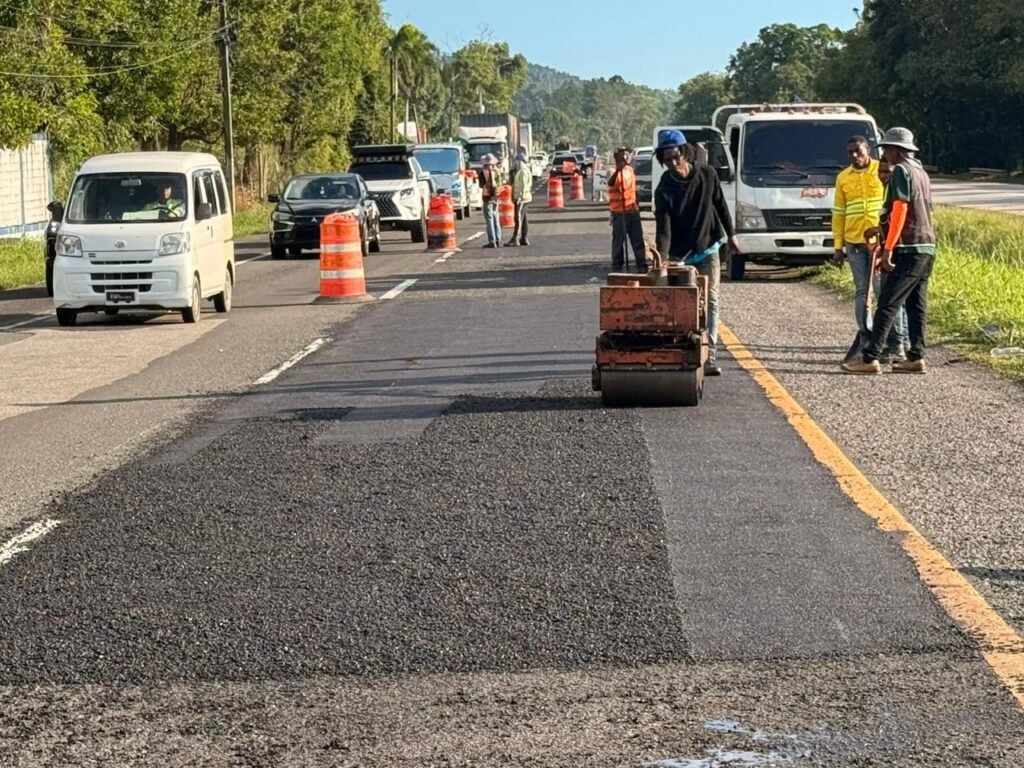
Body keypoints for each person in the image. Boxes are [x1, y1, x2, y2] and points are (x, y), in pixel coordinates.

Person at [842, 127, 936, 375]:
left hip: (907, 247)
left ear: (895, 149)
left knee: (887, 303)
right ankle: (915, 357)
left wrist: (888, 249)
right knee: (916, 304)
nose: (884, 153)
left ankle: (870, 357)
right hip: (927, 245)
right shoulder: (921, 172)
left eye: (886, 149)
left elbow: (900, 211)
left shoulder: (901, 171)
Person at [654, 129, 739, 377]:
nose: (672, 163)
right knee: (682, 303)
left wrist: (731, 235)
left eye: (676, 157)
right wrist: (662, 258)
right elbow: (663, 228)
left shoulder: (707, 174)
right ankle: (682, 350)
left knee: (711, 300)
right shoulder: (665, 188)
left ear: (686, 153)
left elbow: (720, 205)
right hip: (680, 254)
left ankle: (710, 356)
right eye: (667, 159)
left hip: (708, 246)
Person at [832, 135, 907, 363]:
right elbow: (838, 213)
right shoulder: (843, 178)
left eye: (858, 151)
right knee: (862, 291)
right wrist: (837, 246)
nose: (855, 155)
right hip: (854, 242)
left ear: (868, 150)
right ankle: (866, 336)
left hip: (880, 243)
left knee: (885, 292)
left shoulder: (883, 170)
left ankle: (896, 342)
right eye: (850, 152)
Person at [606, 146, 647, 272]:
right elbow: (610, 182)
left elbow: (633, 189)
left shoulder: (630, 169)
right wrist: (619, 170)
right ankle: (617, 266)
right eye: (624, 155)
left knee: (637, 239)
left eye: (627, 155)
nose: (627, 157)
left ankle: (641, 265)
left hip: (632, 210)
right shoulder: (612, 170)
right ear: (618, 157)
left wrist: (638, 204)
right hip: (619, 212)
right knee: (619, 241)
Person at [506, 147, 532, 246]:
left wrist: (519, 197)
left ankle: (515, 238)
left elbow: (523, 186)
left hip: (522, 198)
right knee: (524, 218)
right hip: (523, 197)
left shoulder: (523, 171)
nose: (514, 163)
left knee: (518, 218)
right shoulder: (520, 170)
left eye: (516, 161)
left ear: (519, 161)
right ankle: (524, 238)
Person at [479, 154, 502, 248]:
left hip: (487, 198)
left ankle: (492, 241)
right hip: (496, 198)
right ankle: (498, 240)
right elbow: (501, 182)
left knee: (489, 220)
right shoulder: (497, 171)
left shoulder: (483, 173)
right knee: (496, 218)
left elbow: (481, 185)